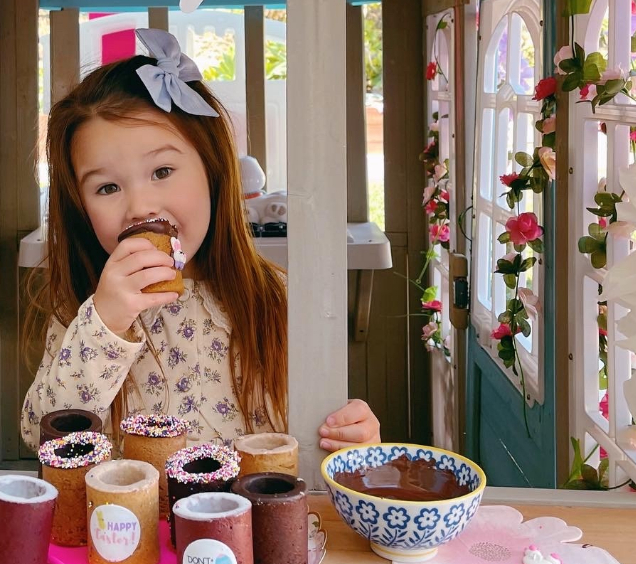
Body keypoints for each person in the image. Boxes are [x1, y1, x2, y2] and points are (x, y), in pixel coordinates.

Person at [21, 28, 380, 454]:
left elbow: (317, 440)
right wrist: (104, 324)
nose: (139, 206)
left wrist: (353, 436)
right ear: (81, 208)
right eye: (107, 188)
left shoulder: (277, 299)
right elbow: (41, 436)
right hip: (126, 521)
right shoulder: (83, 312)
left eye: (162, 172)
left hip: (249, 519)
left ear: (212, 171)